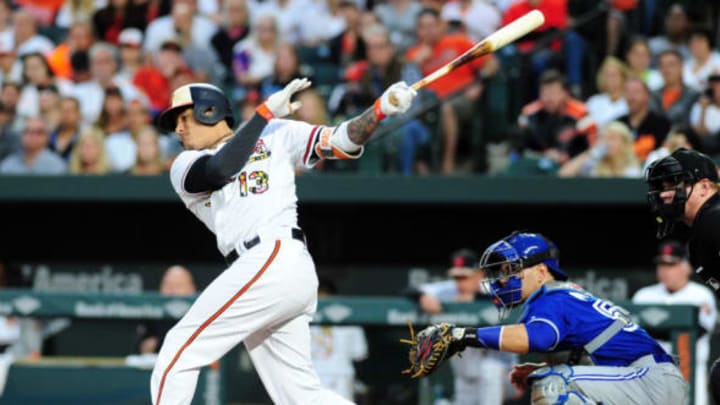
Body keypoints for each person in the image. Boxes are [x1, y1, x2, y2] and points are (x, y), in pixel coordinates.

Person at [149, 76, 417, 405]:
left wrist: (379, 110)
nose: (178, 129)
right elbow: (221, 168)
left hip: (274, 255)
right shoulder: (184, 165)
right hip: (262, 267)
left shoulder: (278, 133)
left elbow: (340, 142)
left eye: (184, 118)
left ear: (209, 111)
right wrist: (262, 115)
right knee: (300, 397)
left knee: (179, 348)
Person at [423, 231, 688, 405]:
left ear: (540, 271)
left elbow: (537, 337)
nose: (504, 279)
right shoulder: (562, 295)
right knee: (549, 376)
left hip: (649, 380)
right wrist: (540, 368)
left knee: (553, 384)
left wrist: (465, 335)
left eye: (512, 270)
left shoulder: (553, 297)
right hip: (644, 380)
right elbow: (591, 354)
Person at [644, 148, 720, 403]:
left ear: (704, 187)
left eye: (675, 184)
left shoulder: (713, 220)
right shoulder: (702, 230)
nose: (665, 193)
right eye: (662, 186)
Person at [417, 248, 516, 405]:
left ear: (479, 275)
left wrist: (475, 299)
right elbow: (413, 290)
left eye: (465, 277)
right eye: (456, 277)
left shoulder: (493, 289)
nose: (460, 282)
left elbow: (515, 296)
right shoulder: (452, 289)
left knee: (489, 369)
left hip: (506, 375)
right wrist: (422, 297)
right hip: (468, 377)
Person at [632, 240, 717, 405]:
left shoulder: (701, 295)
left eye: (671, 265)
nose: (665, 270)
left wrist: (654, 328)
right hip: (650, 373)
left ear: (687, 267)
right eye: (661, 264)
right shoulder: (643, 295)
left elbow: (699, 331)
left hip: (689, 373)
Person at [310, 279, 368, 401]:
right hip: (312, 374)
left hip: (341, 374)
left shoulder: (350, 321)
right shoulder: (304, 319)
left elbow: (360, 353)